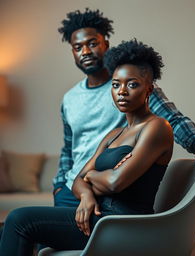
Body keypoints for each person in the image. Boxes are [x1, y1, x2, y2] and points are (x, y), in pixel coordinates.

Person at [0, 39, 173, 255]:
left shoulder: (156, 127)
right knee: (14, 232)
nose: (122, 91)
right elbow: (78, 181)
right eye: (116, 84)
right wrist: (87, 195)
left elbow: (114, 183)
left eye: (132, 84)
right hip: (97, 214)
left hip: (123, 223)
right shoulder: (114, 134)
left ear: (149, 89)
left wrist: (91, 177)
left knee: (19, 220)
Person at [53, 8, 195, 209]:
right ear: (73, 52)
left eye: (92, 44)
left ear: (105, 44)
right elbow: (68, 148)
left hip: (109, 190)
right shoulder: (70, 99)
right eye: (78, 47)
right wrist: (58, 185)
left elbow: (172, 119)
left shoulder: (133, 85)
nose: (86, 52)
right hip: (72, 188)